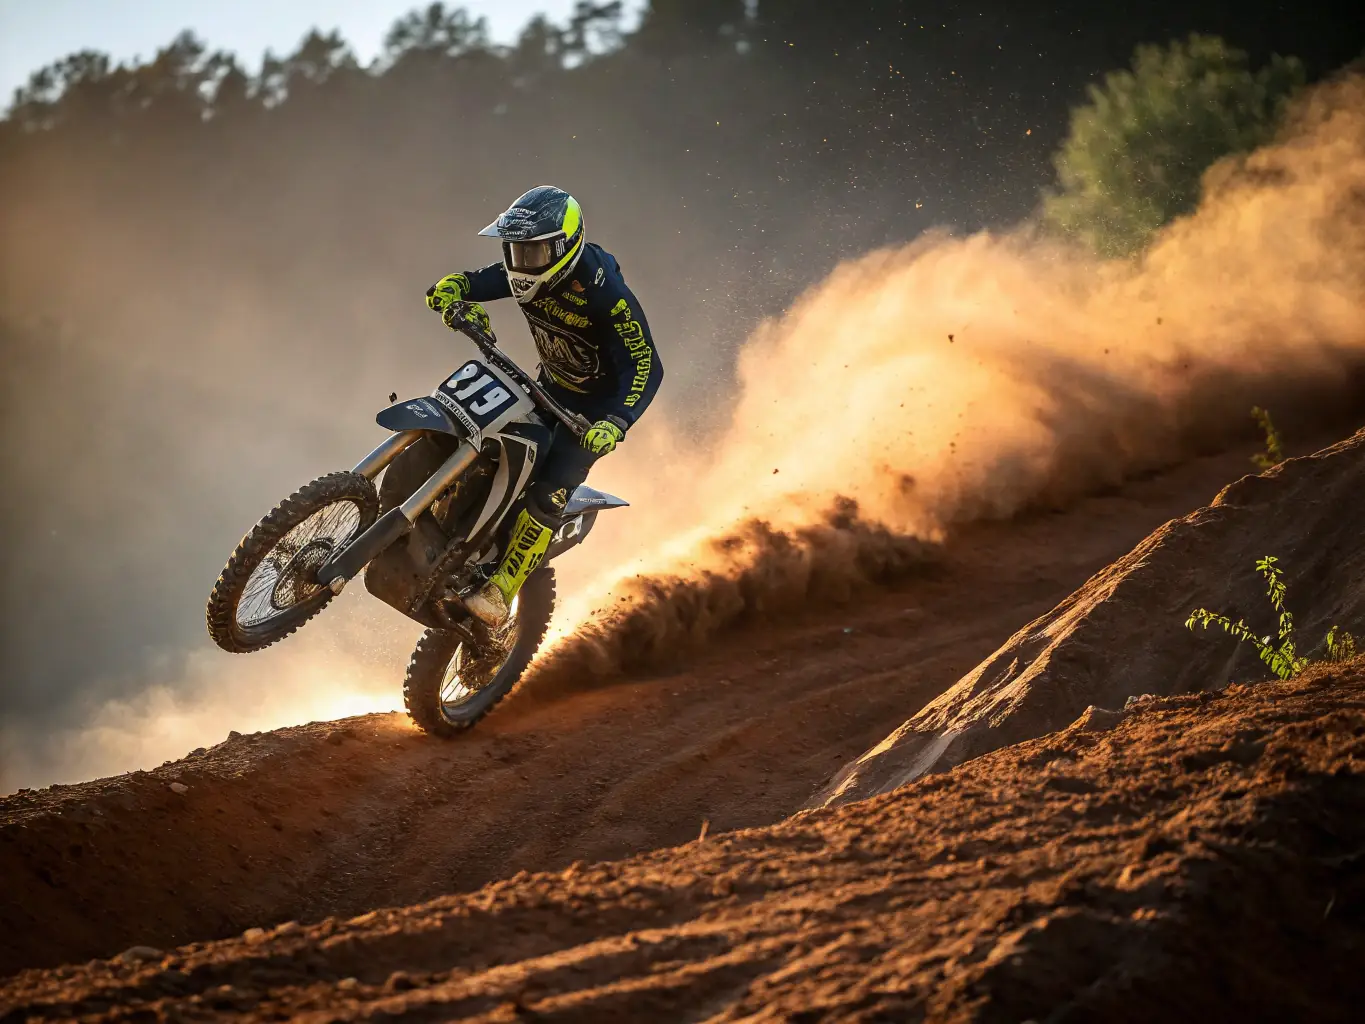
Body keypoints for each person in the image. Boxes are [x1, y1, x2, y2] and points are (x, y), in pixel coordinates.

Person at [424, 185, 663, 628]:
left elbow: (645, 364)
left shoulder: (606, 294)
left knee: (549, 490)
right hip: (548, 387)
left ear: (564, 248)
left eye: (532, 252)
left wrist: (616, 422)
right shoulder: (527, 271)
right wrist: (456, 287)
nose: (521, 262)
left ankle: (501, 590)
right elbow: (486, 280)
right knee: (487, 434)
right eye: (515, 250)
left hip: (590, 416)